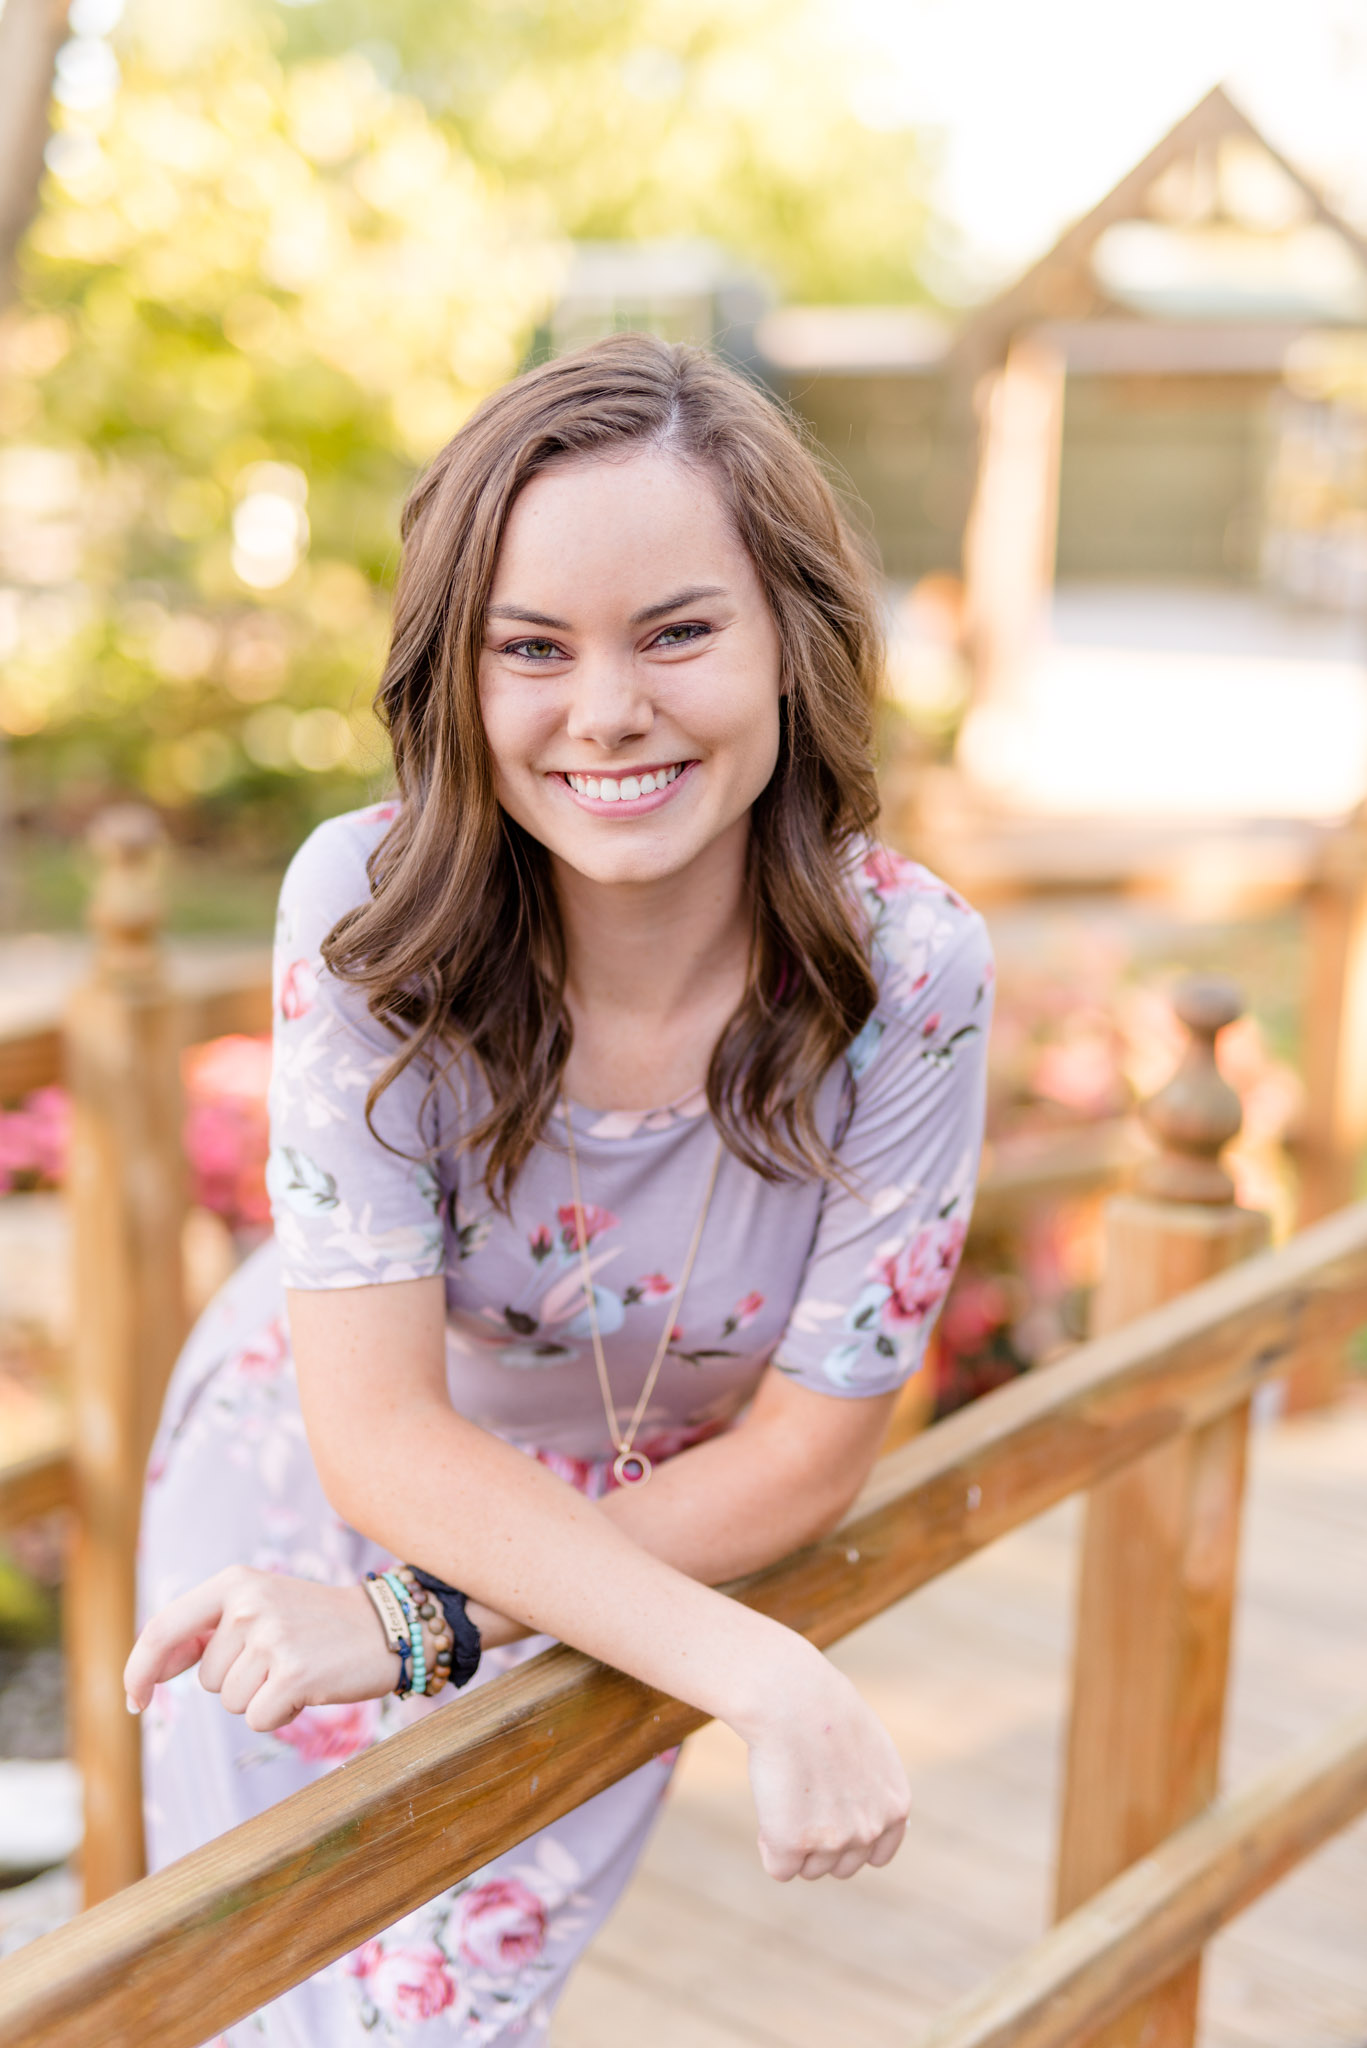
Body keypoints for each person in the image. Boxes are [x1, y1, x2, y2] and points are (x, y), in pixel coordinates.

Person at [124, 332, 993, 2044]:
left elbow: (813, 1445)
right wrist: (761, 1673)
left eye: (677, 630)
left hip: (623, 1551)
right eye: (533, 647)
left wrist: (423, 1626)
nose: (606, 711)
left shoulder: (907, 969)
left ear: (789, 645)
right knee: (261, 2013)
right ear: (461, 673)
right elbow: (373, 1433)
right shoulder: (368, 915)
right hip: (293, 1502)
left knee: (446, 2021)